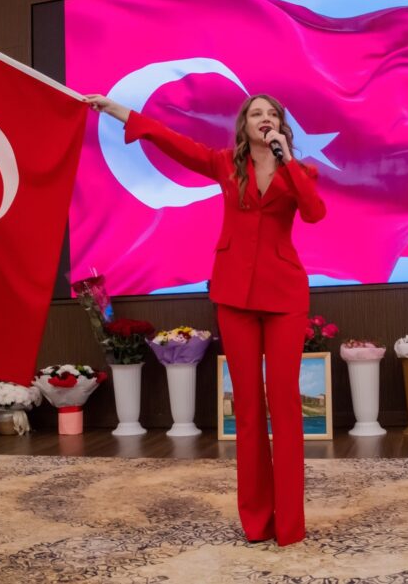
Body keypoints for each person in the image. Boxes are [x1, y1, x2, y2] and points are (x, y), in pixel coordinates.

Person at [84, 93, 325, 546]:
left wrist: (288, 160)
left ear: (282, 126)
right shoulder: (224, 164)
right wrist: (118, 111)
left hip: (285, 296)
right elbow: (173, 141)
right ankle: (257, 522)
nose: (265, 119)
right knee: (247, 409)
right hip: (234, 296)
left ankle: (290, 524)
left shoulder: (300, 172)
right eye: (257, 113)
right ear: (244, 125)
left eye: (272, 114)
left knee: (285, 405)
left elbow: (314, 212)